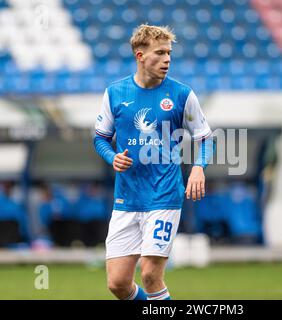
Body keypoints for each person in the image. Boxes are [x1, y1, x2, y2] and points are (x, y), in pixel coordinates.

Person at [94, 24, 214, 300]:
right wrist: (112, 157)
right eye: (160, 53)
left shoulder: (182, 94)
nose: (167, 59)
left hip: (164, 195)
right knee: (118, 283)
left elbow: (206, 138)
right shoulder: (115, 93)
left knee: (149, 274)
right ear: (140, 56)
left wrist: (198, 167)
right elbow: (100, 138)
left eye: (169, 53)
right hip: (127, 198)